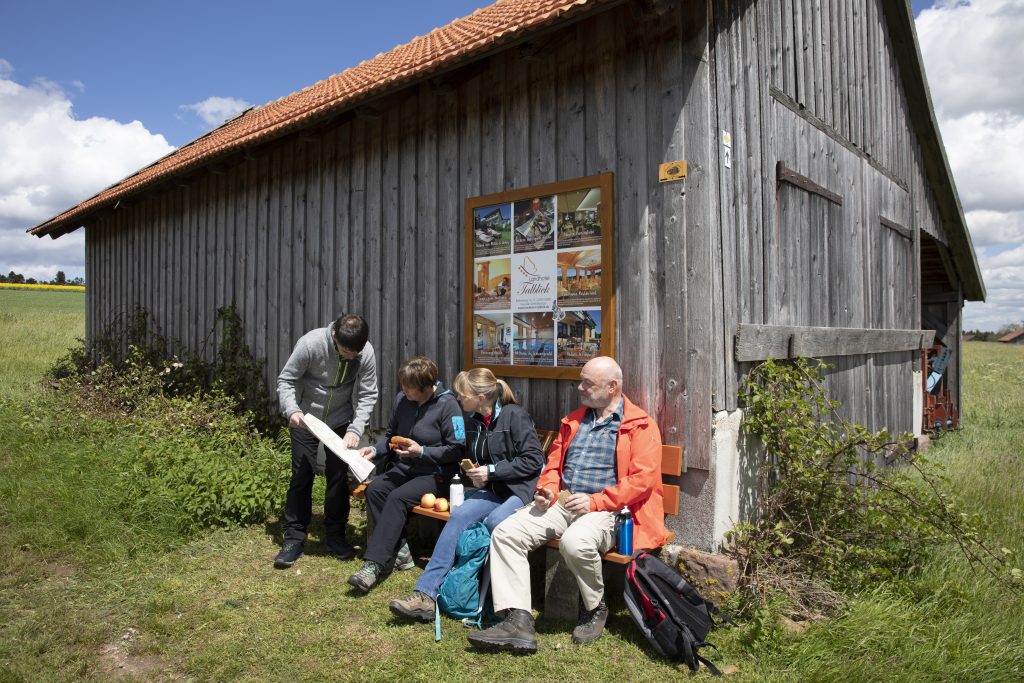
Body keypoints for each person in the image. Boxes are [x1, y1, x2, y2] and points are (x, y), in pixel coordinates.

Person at [467, 356, 669, 654]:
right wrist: (547, 490)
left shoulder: (640, 425)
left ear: (612, 387)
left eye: (588, 383)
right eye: (581, 381)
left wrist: (595, 501)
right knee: (506, 533)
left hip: (607, 508)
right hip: (563, 501)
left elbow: (642, 481)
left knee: (574, 542)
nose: (580, 388)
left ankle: (595, 607)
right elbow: (552, 465)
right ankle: (517, 620)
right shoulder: (574, 421)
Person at [388, 368, 545, 622]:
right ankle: (425, 594)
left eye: (463, 394)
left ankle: (492, 601)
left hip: (520, 490)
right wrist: (476, 472)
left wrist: (491, 471)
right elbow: (476, 457)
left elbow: (533, 460)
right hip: (493, 489)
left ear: (480, 397)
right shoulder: (474, 422)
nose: (459, 398)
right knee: (459, 516)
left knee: (495, 522)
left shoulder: (515, 415)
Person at [347, 356, 465, 593]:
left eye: (409, 388)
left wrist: (422, 452)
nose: (404, 391)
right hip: (406, 468)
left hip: (437, 474)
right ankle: (400, 550)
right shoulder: (403, 400)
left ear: (426, 388)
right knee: (376, 489)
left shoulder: (449, 405)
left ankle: (374, 564)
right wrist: (375, 450)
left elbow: (457, 449)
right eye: (403, 386)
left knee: (397, 497)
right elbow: (390, 436)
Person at [273, 314, 379, 569]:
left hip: (341, 420)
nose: (351, 357)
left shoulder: (365, 352)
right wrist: (292, 410)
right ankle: (294, 538)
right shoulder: (310, 344)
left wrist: (356, 429)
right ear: (334, 337)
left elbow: (368, 393)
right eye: (346, 351)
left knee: (338, 477)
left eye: (356, 352)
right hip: (306, 419)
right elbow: (286, 379)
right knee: (302, 475)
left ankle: (335, 536)